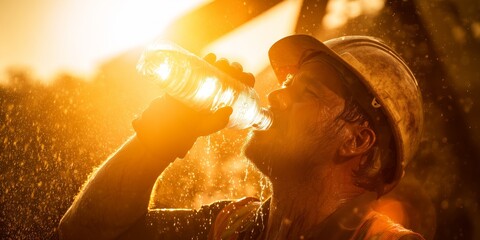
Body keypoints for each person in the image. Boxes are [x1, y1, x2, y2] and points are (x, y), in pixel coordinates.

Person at [58, 34, 425, 240]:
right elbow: (85, 233)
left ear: (356, 141)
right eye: (286, 84)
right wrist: (159, 139)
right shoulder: (232, 226)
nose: (277, 96)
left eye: (308, 92)